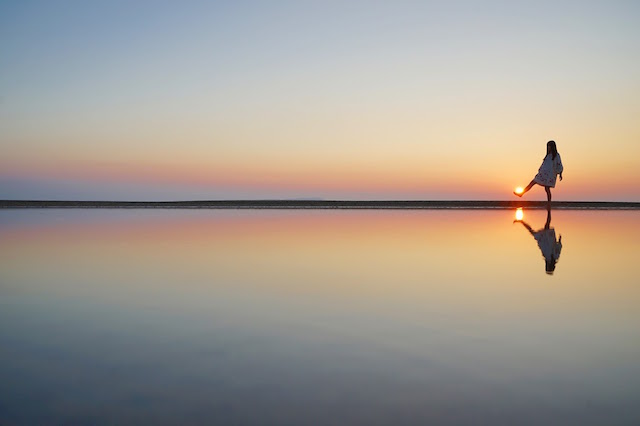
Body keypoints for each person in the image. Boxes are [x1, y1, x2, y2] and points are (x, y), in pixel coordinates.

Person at [515, 208, 562, 274]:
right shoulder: (554, 257)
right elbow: (558, 248)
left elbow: (544, 248)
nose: (546, 266)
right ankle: (549, 209)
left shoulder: (548, 258)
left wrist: (558, 241)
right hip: (548, 239)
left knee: (533, 231)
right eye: (547, 267)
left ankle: (521, 221)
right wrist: (559, 240)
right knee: (547, 224)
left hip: (543, 239)